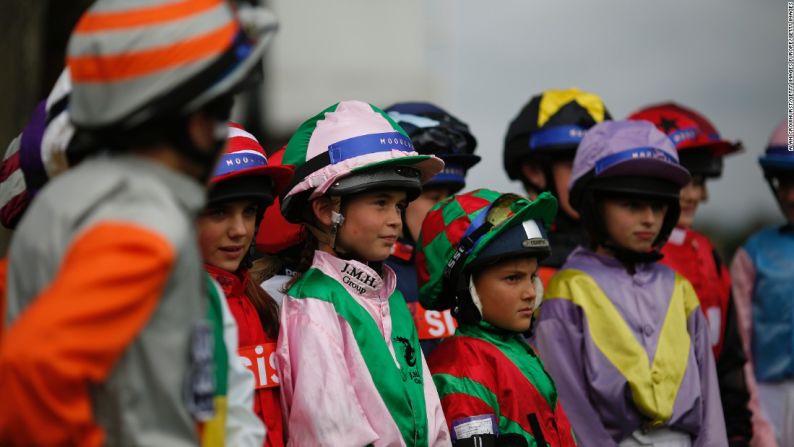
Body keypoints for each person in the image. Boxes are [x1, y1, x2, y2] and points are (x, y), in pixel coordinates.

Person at [0, 1, 276, 445]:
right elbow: (35, 368)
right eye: (215, 110)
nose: (219, 130)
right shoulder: (141, 220)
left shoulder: (72, 201)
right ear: (171, 113)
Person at [534, 120, 727, 446]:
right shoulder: (567, 293)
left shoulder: (679, 288)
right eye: (632, 204)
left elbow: (710, 405)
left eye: (658, 205)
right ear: (593, 206)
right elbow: (570, 407)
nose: (649, 218)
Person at [275, 100, 451, 446]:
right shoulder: (314, 304)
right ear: (327, 211)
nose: (395, 220)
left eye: (399, 204)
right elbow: (330, 435)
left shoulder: (392, 297)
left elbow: (435, 424)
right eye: (380, 202)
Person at [629, 103, 752, 446]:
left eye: (702, 182)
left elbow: (729, 358)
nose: (701, 195)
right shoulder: (620, 260)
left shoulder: (707, 251)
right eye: (692, 181)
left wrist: (739, 431)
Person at [414, 188, 577, 446]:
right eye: (512, 278)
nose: (529, 292)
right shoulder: (462, 370)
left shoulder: (514, 348)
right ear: (465, 287)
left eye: (532, 276)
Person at [200, 122, 293, 446]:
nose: (239, 230)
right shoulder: (170, 310)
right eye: (219, 212)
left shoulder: (265, 303)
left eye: (250, 211)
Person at [384, 102, 481, 353]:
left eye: (451, 197)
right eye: (434, 197)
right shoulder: (375, 279)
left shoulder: (468, 269)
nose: (447, 211)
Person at [503, 88, 611, 286]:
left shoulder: (641, 258)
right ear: (534, 172)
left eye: (599, 166)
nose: (590, 178)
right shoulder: (511, 263)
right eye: (577, 166)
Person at [731, 120, 794, 447]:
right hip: (770, 399)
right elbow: (740, 345)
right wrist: (757, 418)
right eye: (784, 182)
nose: (791, 195)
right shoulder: (752, 254)